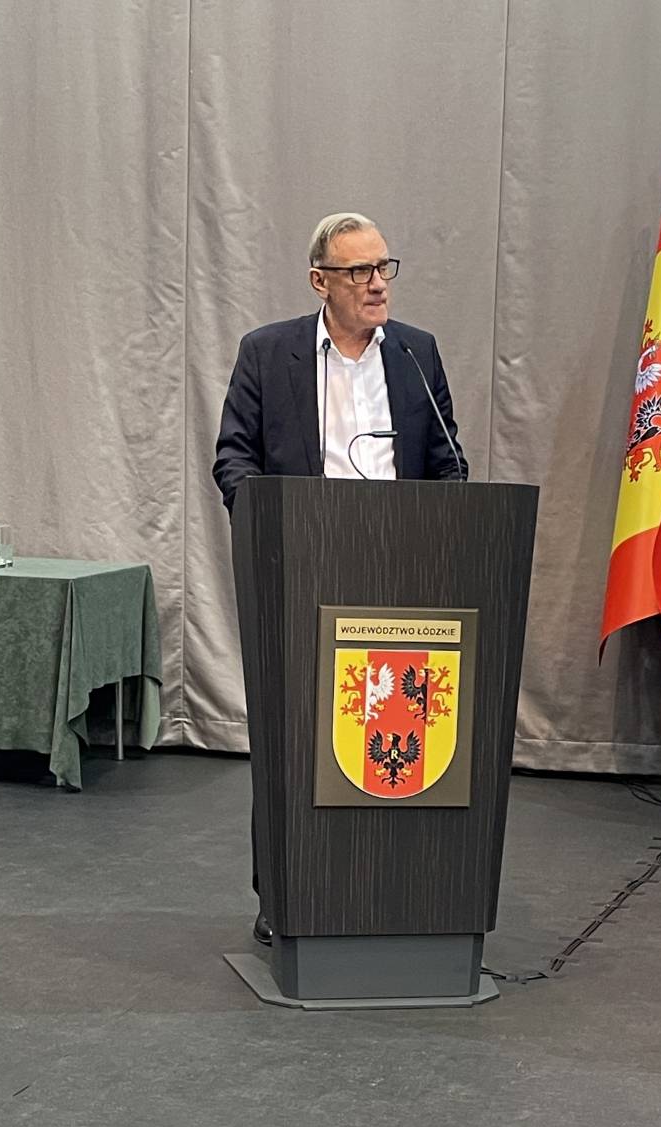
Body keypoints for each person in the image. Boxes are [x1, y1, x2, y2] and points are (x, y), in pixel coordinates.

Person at [213, 214, 469, 945]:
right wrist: (273, 531)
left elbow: (448, 461)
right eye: (359, 271)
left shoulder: (416, 352)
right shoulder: (269, 353)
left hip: (404, 578)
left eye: (384, 267)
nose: (377, 284)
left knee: (395, 735)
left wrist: (443, 532)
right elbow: (233, 459)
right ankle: (286, 896)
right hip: (301, 573)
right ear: (319, 281)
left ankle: (393, 890)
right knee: (296, 741)